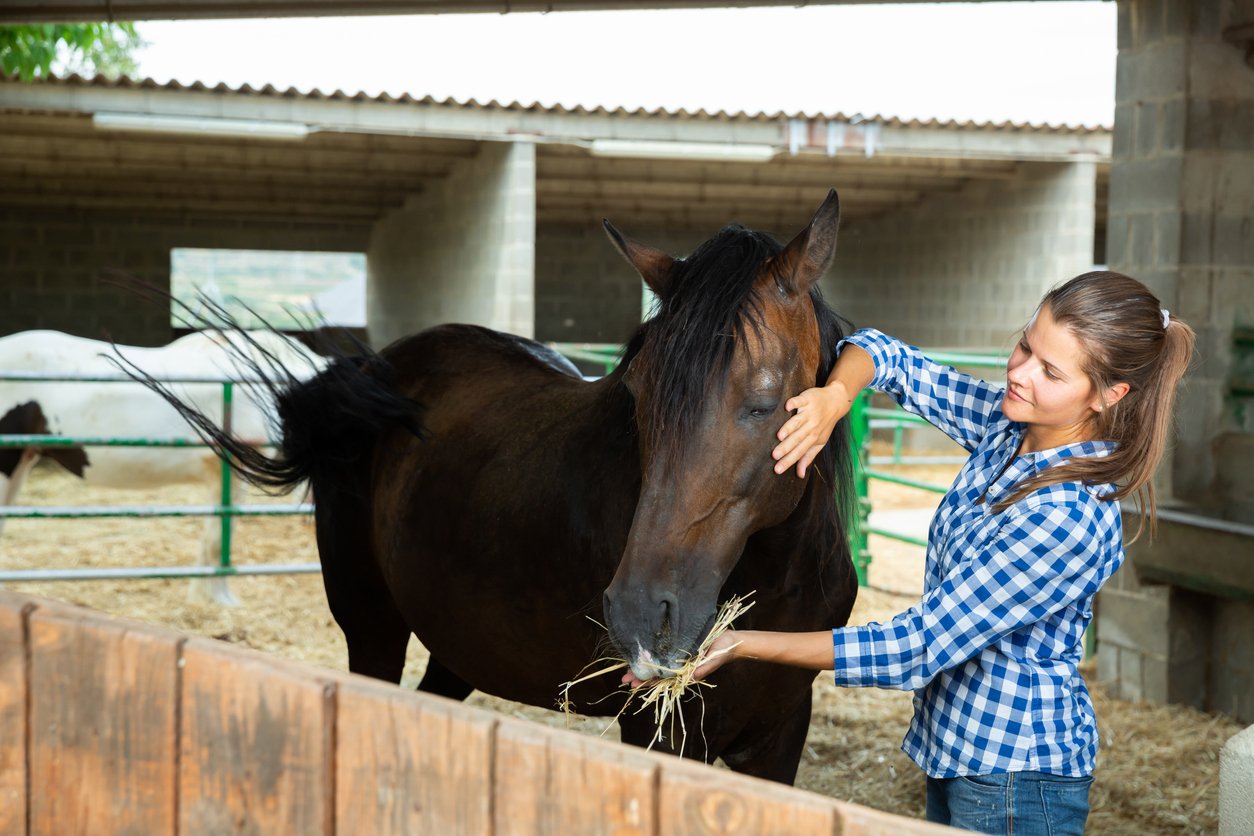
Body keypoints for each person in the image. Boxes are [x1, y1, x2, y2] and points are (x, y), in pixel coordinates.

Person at [623, 270, 1195, 835]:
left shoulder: (1066, 518)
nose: (1019, 373)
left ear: (1108, 395)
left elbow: (915, 648)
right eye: (1025, 344)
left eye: (1050, 371)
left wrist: (738, 643)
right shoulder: (1009, 426)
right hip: (963, 759)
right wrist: (834, 398)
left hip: (1018, 780)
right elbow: (885, 354)